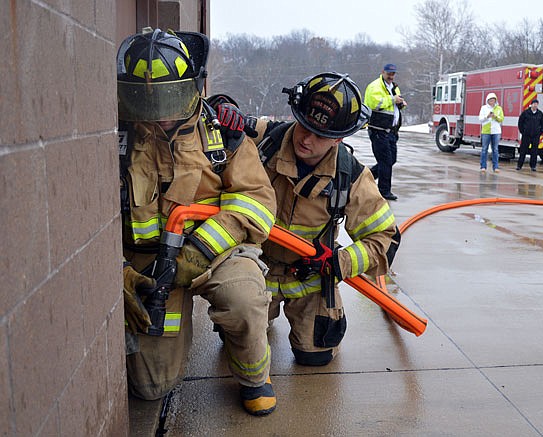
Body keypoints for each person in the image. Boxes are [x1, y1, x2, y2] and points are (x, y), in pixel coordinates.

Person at [117, 28, 278, 416]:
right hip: (146, 265)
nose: (161, 111)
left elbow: (256, 202)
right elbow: (86, 222)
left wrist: (201, 249)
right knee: (151, 388)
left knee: (244, 301)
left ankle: (255, 377)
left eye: (170, 96)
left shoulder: (223, 133)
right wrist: (117, 270)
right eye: (147, 99)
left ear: (192, 87)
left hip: (217, 252)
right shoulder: (117, 138)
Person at [230, 72, 399, 367]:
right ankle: (256, 315)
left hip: (309, 278)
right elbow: (220, 124)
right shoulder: (266, 139)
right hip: (257, 268)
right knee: (237, 332)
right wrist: (223, 109)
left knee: (315, 356)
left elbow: (386, 239)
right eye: (304, 126)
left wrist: (340, 263)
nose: (306, 139)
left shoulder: (352, 177)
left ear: (339, 138)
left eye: (320, 135)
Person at [364, 63, 407, 200]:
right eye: (389, 73)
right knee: (385, 161)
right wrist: (392, 99)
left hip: (391, 131)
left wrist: (400, 104)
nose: (391, 76)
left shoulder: (394, 87)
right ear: (383, 72)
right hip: (378, 130)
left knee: (391, 160)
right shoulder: (374, 86)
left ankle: (367, 176)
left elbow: (394, 106)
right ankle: (384, 191)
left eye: (393, 74)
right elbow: (374, 104)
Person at [516, 98, 543, 171]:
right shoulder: (526, 113)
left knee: (534, 152)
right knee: (523, 151)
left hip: (535, 136)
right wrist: (523, 131)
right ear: (531, 104)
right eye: (534, 104)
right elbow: (520, 122)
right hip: (526, 135)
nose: (535, 105)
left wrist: (540, 132)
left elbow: (542, 124)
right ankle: (519, 165)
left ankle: (533, 166)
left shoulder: (540, 114)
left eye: (536, 104)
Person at [478, 93, 504, 172]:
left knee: (495, 149)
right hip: (486, 131)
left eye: (493, 100)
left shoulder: (499, 108)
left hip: (496, 131)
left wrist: (495, 116)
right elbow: (480, 119)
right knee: (484, 149)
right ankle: (483, 166)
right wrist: (487, 116)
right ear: (488, 101)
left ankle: (495, 167)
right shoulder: (484, 108)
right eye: (490, 100)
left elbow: (501, 119)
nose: (492, 102)